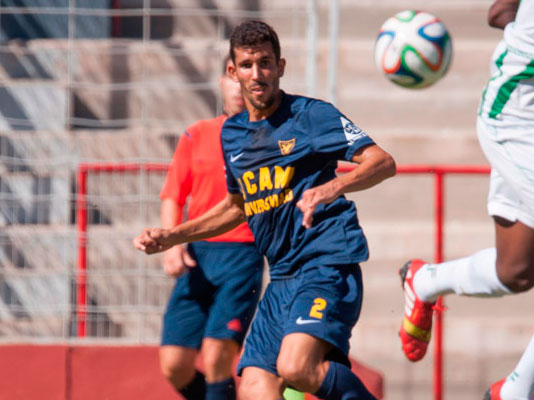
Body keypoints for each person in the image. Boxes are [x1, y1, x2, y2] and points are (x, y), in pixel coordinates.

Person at [134, 20, 396, 400]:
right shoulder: (232, 134)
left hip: (325, 264)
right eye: (246, 65)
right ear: (232, 71)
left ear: (281, 67)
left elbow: (382, 162)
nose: (257, 74)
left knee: (296, 367)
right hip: (282, 277)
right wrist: (172, 235)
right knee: (254, 388)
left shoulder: (309, 116)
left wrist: (332, 186)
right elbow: (236, 208)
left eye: (266, 63)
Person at [397, 0, 534, 399]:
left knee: (516, 270)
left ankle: (424, 280)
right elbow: (501, 11)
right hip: (520, 120)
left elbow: (500, 11)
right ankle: (516, 390)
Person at [157, 57, 264, 400]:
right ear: (222, 81)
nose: (239, 85)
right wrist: (173, 246)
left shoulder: (268, 137)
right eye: (233, 76)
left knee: (219, 353)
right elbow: (173, 196)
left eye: (246, 76)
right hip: (197, 255)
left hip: (243, 254)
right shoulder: (197, 134)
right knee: (174, 364)